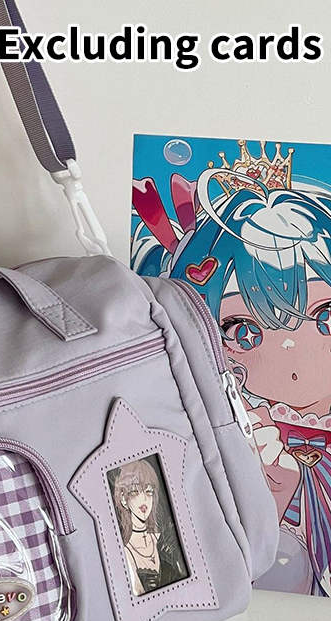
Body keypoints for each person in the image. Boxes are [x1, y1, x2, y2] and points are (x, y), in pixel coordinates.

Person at [131, 141, 331, 596]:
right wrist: (267, 495)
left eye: (325, 315)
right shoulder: (210, 423)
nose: (290, 350)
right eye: (243, 330)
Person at [111, 458, 188, 595]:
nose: (144, 499)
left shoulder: (165, 541)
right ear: (123, 499)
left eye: (149, 491)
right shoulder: (124, 552)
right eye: (135, 491)